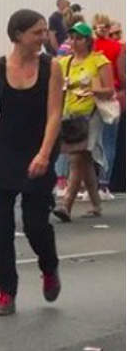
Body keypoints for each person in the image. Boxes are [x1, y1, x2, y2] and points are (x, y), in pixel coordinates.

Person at [0, 10, 63, 317]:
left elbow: (54, 114)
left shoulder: (52, 67)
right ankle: (6, 291)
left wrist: (44, 154)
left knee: (35, 223)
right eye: (37, 32)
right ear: (18, 34)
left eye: (45, 32)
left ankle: (49, 267)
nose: (43, 38)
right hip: (5, 149)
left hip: (38, 148)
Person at [52, 22, 115, 221]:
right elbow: (56, 88)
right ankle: (96, 203)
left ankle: (66, 204)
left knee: (77, 156)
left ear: (88, 41)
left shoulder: (98, 61)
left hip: (92, 113)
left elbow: (109, 90)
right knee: (84, 158)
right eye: (72, 38)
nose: (74, 42)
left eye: (79, 38)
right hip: (71, 113)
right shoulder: (65, 62)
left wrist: (94, 89)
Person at [91, 13, 125, 200]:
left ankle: (87, 184)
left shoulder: (90, 47)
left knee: (90, 141)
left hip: (90, 96)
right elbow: (121, 74)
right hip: (111, 95)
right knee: (109, 141)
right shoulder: (117, 48)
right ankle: (104, 184)